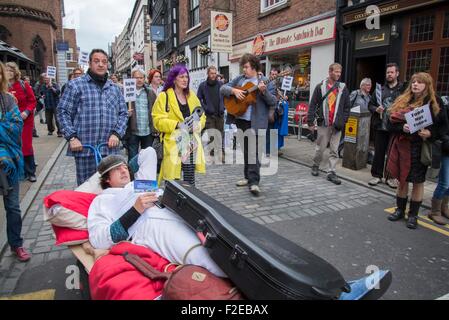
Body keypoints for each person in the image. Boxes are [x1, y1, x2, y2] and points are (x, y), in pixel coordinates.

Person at [87, 148, 225, 277]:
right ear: (106, 179)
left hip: (174, 211)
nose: (123, 171)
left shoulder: (139, 183)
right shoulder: (103, 200)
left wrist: (125, 165)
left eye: (124, 168)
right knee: (205, 257)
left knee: (221, 239)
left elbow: (148, 153)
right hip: (148, 225)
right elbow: (99, 239)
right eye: (117, 170)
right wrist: (135, 211)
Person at [58, 49, 128, 186]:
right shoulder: (75, 85)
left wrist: (117, 134)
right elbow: (62, 111)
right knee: (87, 189)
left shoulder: (115, 89)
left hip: (109, 149)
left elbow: (123, 114)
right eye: (96, 61)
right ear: (89, 63)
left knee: (111, 189)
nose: (101, 64)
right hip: (85, 149)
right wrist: (72, 137)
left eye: (104, 61)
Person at [386, 72, 447, 229]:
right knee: (402, 180)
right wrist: (402, 127)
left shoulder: (435, 102)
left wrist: (430, 133)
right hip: (402, 147)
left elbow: (443, 127)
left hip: (420, 148)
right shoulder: (403, 100)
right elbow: (390, 122)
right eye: (413, 81)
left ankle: (413, 215)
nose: (415, 84)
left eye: (420, 82)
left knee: (418, 183)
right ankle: (400, 210)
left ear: (427, 85)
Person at [152, 64, 206, 186]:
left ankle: (189, 202)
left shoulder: (191, 96)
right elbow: (157, 120)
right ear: (174, 79)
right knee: (172, 180)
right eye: (181, 77)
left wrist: (197, 125)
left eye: (186, 77)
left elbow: (202, 115)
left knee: (189, 180)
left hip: (190, 143)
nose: (185, 79)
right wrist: (176, 124)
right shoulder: (163, 96)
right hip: (173, 143)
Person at [0, 62, 31, 261]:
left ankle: (16, 244)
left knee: (12, 206)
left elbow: (14, 127)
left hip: (8, 162)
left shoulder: (8, 100)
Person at [308, 63, 351, 185]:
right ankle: (315, 165)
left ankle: (331, 172)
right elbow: (312, 104)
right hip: (324, 123)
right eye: (336, 72)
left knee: (334, 150)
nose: (338, 74)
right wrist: (310, 121)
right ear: (330, 72)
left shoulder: (343, 88)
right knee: (320, 148)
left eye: (339, 72)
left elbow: (347, 107)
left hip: (337, 125)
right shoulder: (320, 87)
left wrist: (343, 120)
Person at [368, 63, 405, 188]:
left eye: (391, 72)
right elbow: (370, 104)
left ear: (397, 73)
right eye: (388, 72)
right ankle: (376, 176)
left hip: (395, 127)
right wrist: (375, 109)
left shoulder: (403, 90)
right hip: (380, 126)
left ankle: (390, 177)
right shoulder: (379, 90)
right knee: (379, 152)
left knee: (393, 153)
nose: (389, 74)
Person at [6, 62, 37, 182]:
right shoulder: (4, 86)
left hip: (25, 121)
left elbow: (32, 101)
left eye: (11, 70)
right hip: (10, 122)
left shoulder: (24, 85)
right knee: (13, 146)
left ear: (15, 72)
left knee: (26, 145)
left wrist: (27, 112)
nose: (8, 72)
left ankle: (30, 171)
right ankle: (19, 171)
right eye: (6, 70)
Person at [124, 68, 157, 161]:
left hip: (147, 131)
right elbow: (120, 110)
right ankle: (133, 175)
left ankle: (145, 176)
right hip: (133, 131)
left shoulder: (150, 92)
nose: (139, 80)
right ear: (132, 79)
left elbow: (156, 110)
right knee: (133, 158)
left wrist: (155, 127)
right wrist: (127, 113)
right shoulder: (127, 92)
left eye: (141, 78)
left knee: (146, 159)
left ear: (144, 79)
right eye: (136, 78)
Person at [197, 65, 225, 162]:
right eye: (211, 73)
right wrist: (205, 108)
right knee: (212, 134)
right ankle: (212, 150)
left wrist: (223, 106)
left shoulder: (221, 84)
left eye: (215, 73)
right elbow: (199, 99)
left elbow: (226, 97)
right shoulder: (202, 86)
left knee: (221, 134)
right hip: (209, 115)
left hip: (220, 113)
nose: (213, 75)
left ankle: (221, 152)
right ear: (208, 74)